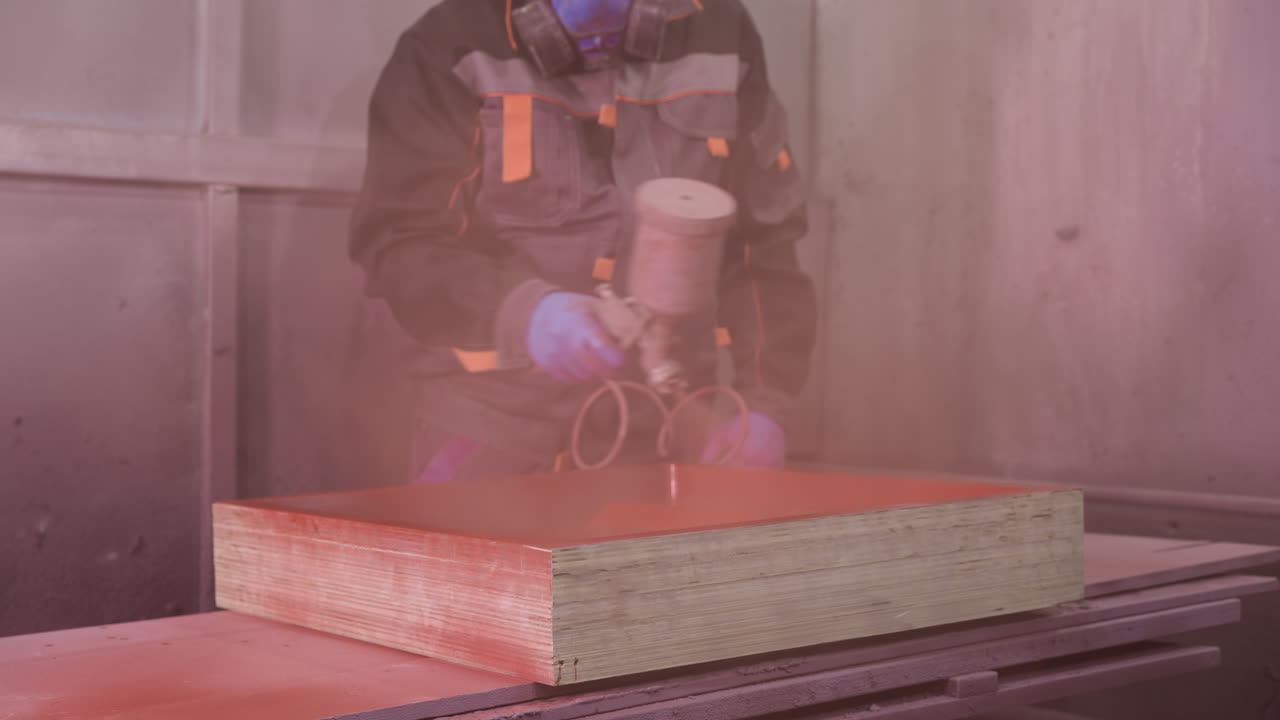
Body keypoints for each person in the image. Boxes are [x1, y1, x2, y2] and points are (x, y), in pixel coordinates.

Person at [349, 0, 817, 484]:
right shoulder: (448, 44)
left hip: (667, 437)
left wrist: (764, 406)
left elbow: (763, 245)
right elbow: (397, 242)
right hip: (493, 439)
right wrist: (526, 313)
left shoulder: (722, 33)